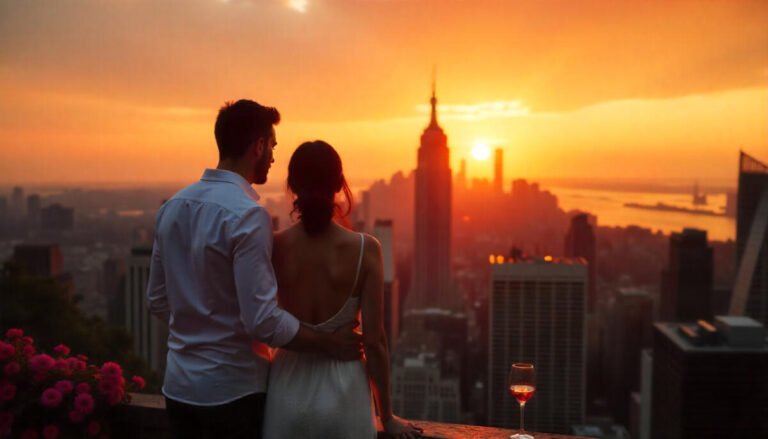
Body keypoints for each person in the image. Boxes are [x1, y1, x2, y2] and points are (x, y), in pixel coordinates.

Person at [146, 100, 362, 439]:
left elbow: (157, 300)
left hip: (178, 389)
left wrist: (198, 326)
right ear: (258, 146)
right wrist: (329, 344)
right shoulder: (248, 215)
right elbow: (261, 320)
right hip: (233, 393)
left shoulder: (172, 207)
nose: (274, 157)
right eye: (272, 145)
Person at [262, 140, 423, 439]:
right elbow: (375, 342)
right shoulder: (366, 249)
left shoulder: (275, 246)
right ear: (338, 184)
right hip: (344, 393)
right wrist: (386, 417)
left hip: (286, 391)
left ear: (293, 186)